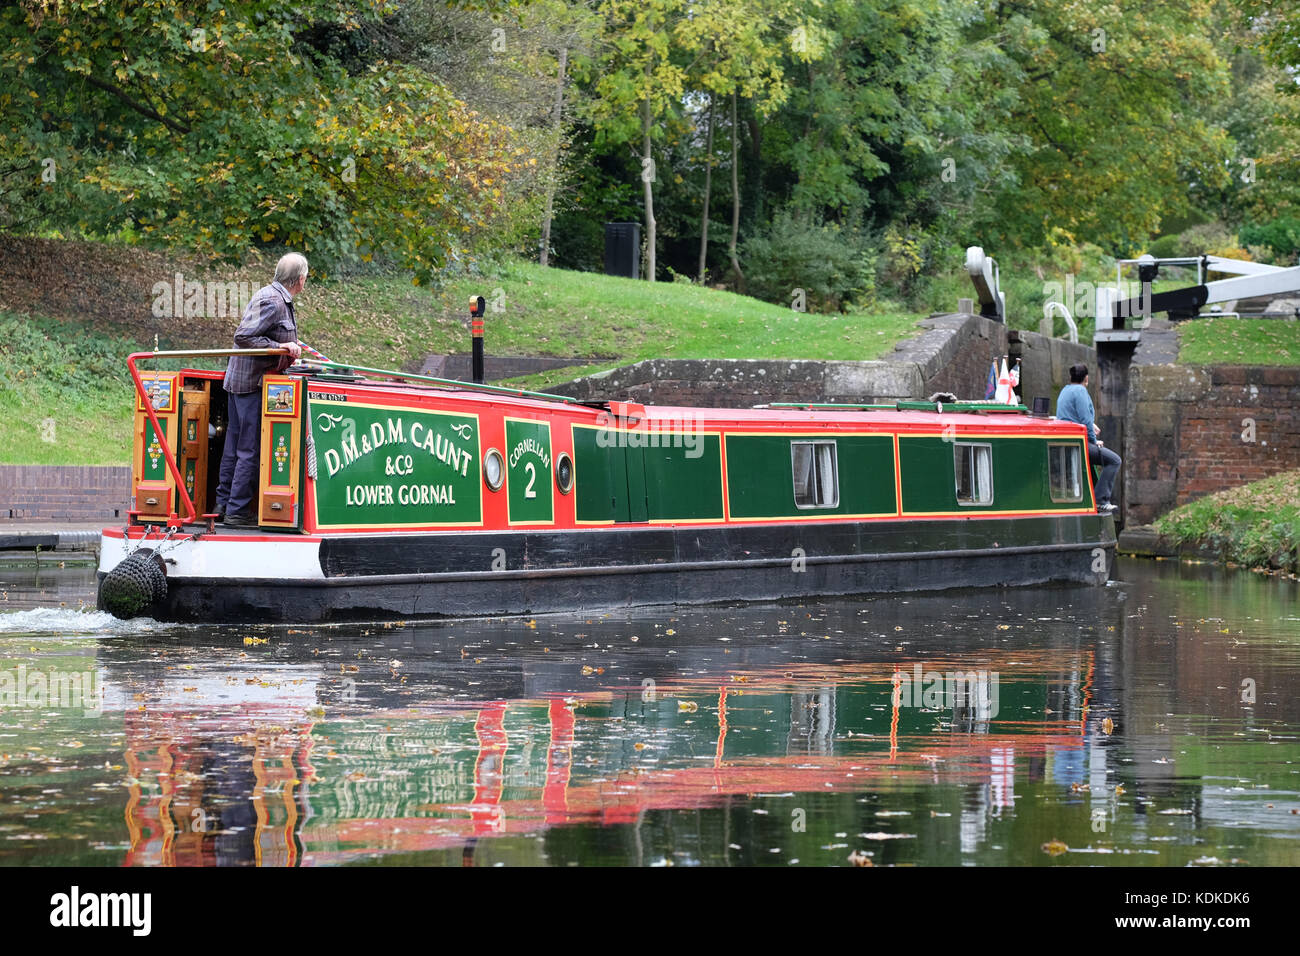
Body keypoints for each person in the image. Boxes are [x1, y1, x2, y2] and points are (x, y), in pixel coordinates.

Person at [214, 253, 307, 527]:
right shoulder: (274, 300)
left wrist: (287, 344)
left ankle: (222, 505)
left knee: (234, 447)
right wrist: (281, 347)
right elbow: (243, 336)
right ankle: (237, 511)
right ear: (300, 280)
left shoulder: (272, 295)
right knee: (247, 449)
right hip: (252, 384)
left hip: (243, 382)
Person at [1056, 363, 1120, 514]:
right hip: (1078, 442)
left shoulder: (1065, 390)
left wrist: (1091, 425)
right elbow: (1084, 420)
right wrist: (1093, 440)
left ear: (1070, 377)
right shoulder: (1081, 391)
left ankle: (1090, 496)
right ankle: (1101, 500)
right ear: (1086, 378)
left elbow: (1069, 416)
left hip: (1065, 439)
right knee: (1114, 460)